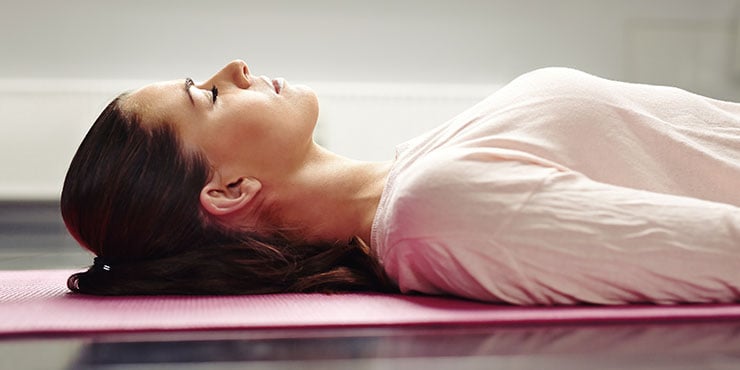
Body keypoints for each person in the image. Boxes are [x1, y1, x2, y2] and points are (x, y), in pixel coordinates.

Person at [61, 60, 740, 305]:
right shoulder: (438, 211)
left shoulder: (416, 169)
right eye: (204, 96)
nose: (233, 67)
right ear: (231, 189)